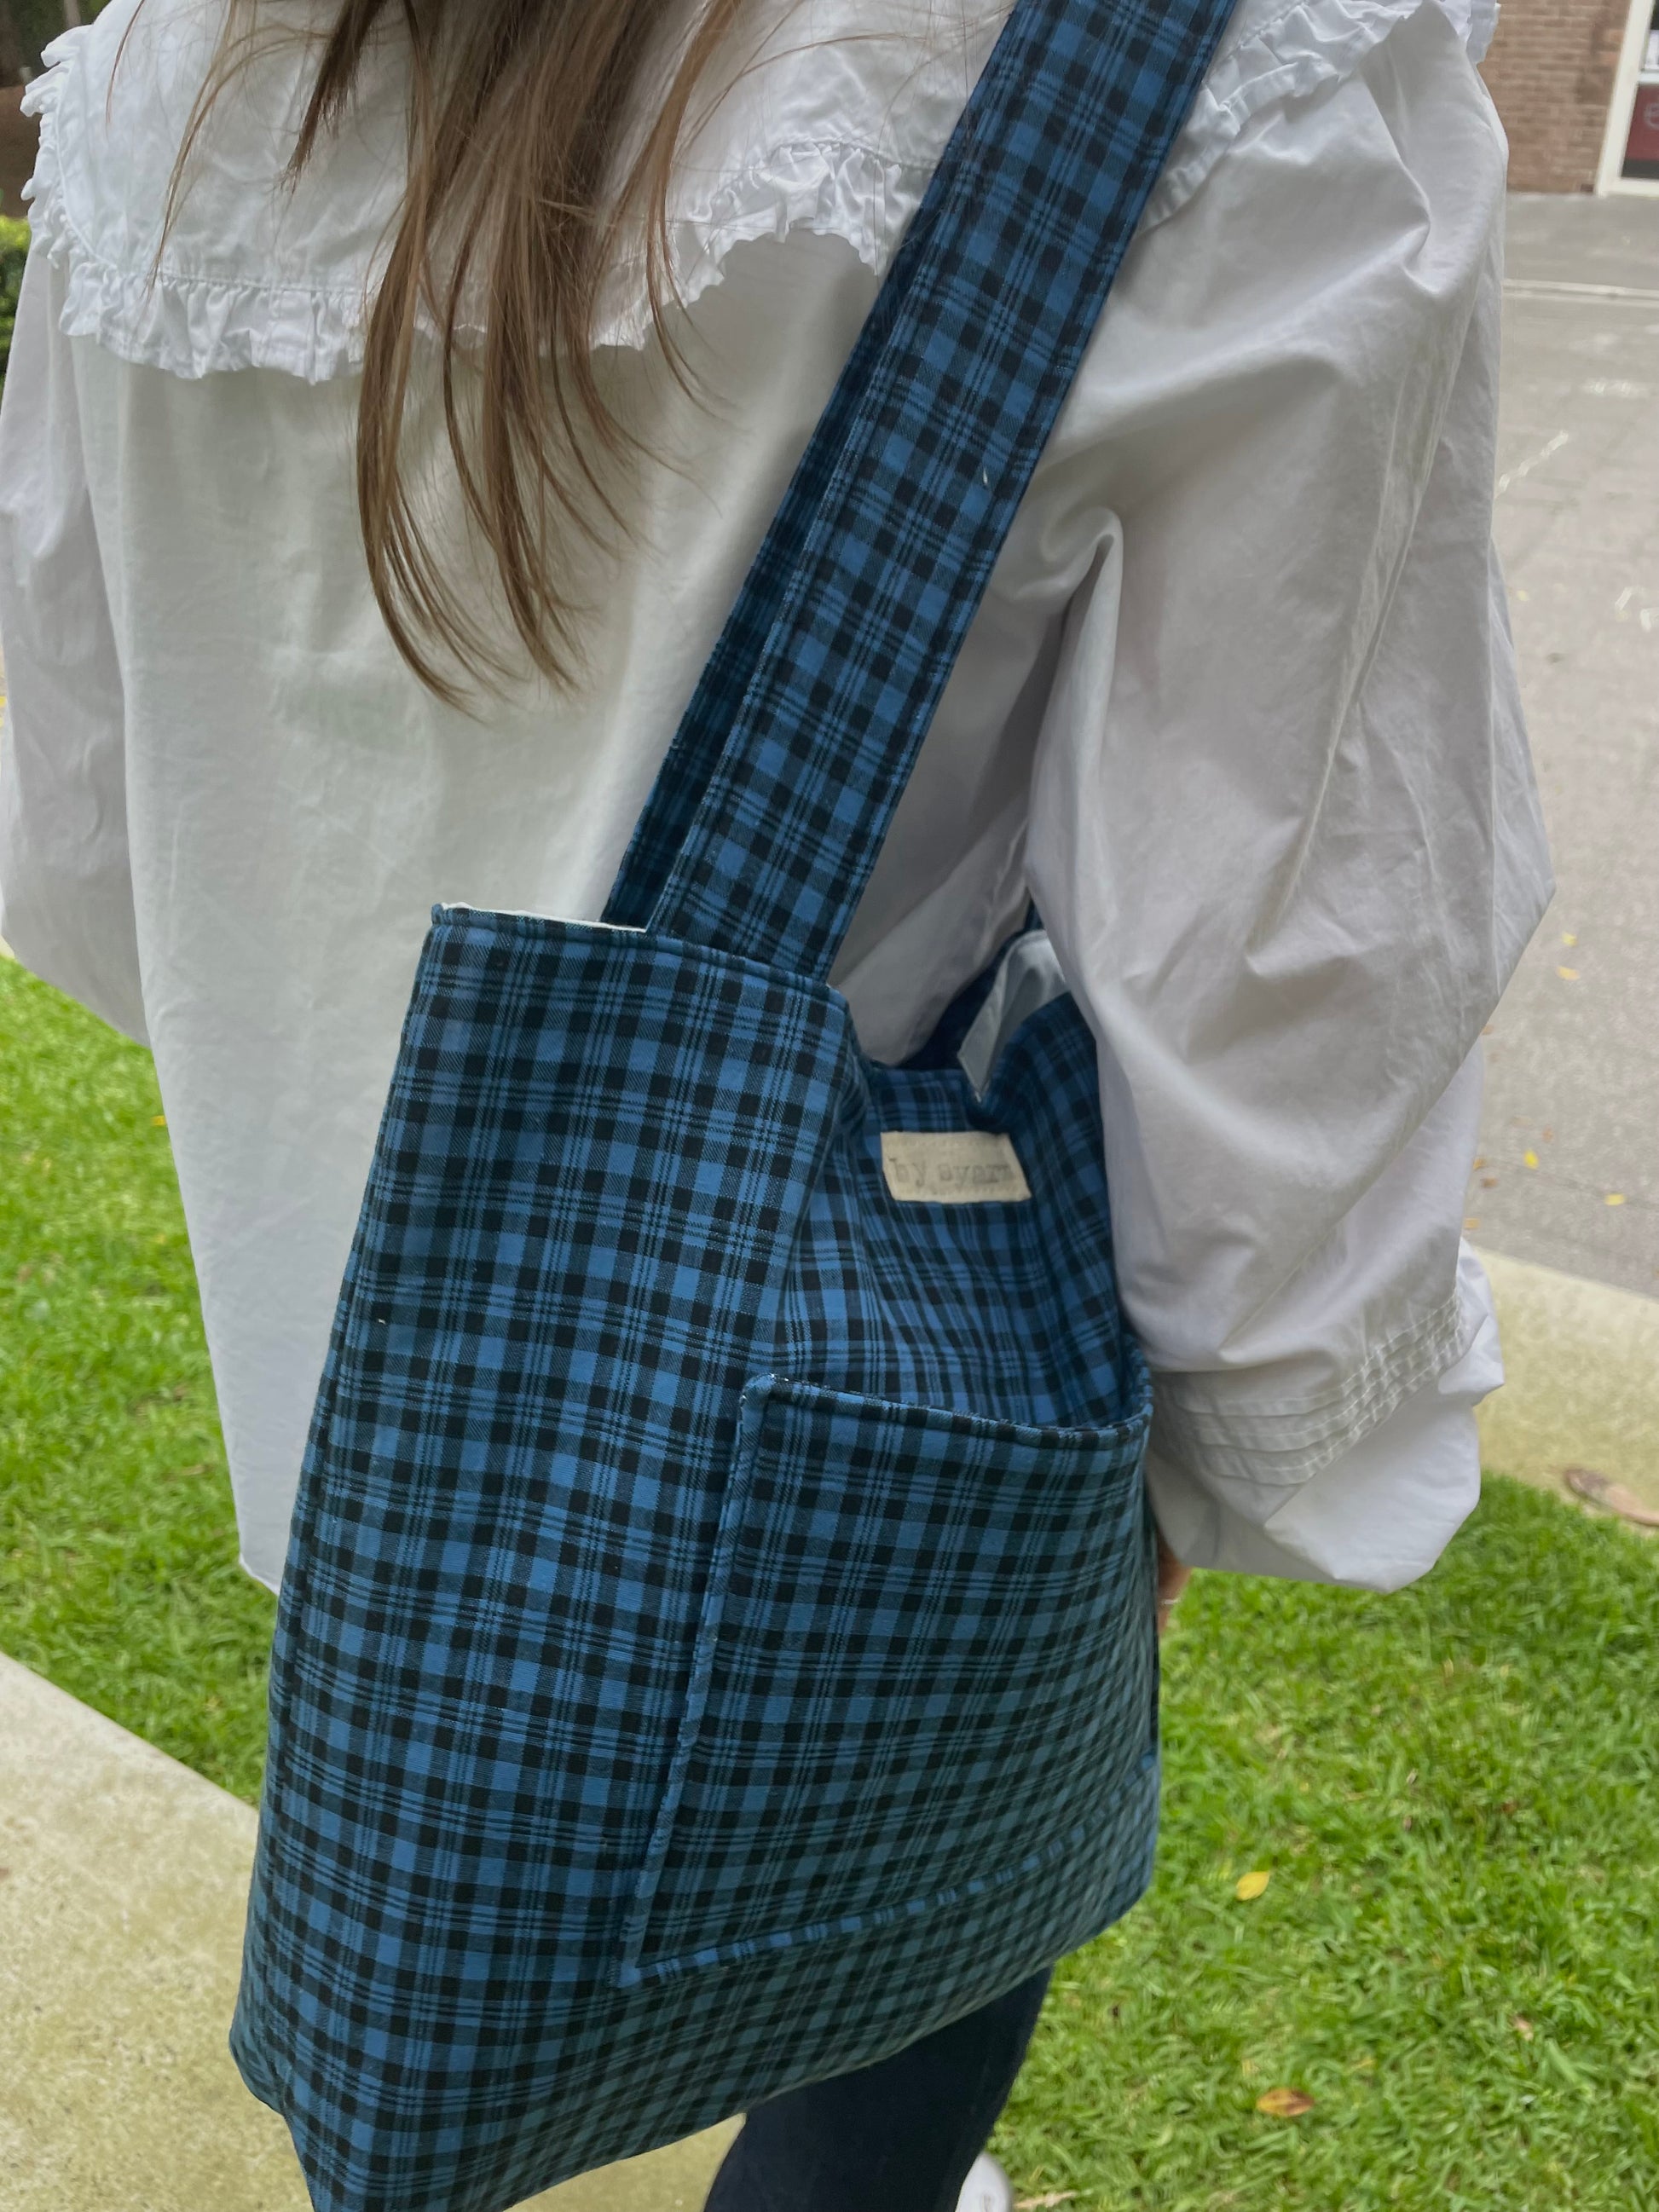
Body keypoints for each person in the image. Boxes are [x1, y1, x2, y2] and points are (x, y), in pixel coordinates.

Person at [0, 0, 1549, 2204]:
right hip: (904, 1376)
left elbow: (89, 844)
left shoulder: (178, 75)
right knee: (907, 1917)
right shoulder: (1211, 74)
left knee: (472, 1904)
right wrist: (1243, 1442)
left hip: (342, 1346)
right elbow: (1289, 957)